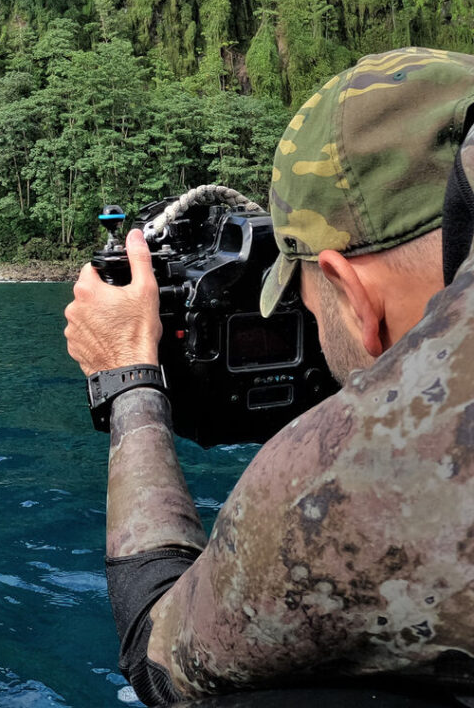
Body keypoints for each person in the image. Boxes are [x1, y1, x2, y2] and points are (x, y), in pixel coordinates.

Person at [64, 47, 474, 705]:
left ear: (346, 288)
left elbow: (158, 652)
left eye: (307, 303)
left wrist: (128, 377)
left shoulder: (369, 479)